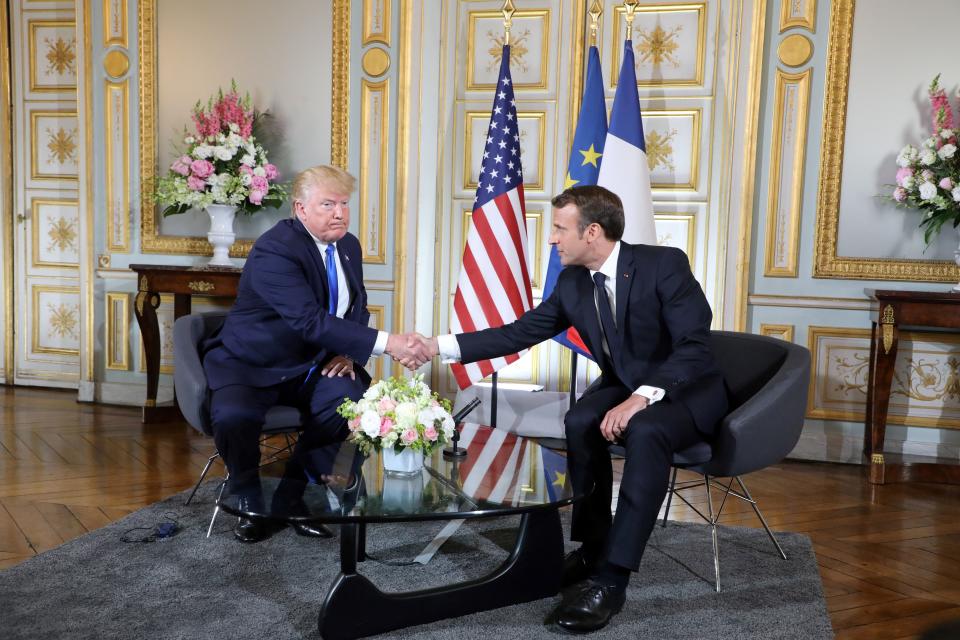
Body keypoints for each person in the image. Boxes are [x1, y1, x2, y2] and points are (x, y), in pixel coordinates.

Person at [414, 185, 728, 632]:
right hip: (627, 386)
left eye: (560, 229)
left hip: (684, 390)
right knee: (579, 418)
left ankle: (612, 579)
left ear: (593, 231)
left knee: (647, 431)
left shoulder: (664, 265)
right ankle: (592, 547)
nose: (552, 239)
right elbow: (517, 334)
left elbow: (694, 347)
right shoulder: (574, 282)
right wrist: (436, 345)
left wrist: (641, 398)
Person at [203, 165, 430, 543]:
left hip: (313, 364)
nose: (339, 212)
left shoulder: (349, 245)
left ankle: (294, 496)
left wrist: (348, 353)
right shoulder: (276, 248)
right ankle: (248, 499)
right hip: (253, 362)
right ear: (300, 209)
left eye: (343, 203)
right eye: (327, 204)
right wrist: (390, 343)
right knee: (234, 416)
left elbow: (357, 306)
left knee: (350, 403)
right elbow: (308, 320)